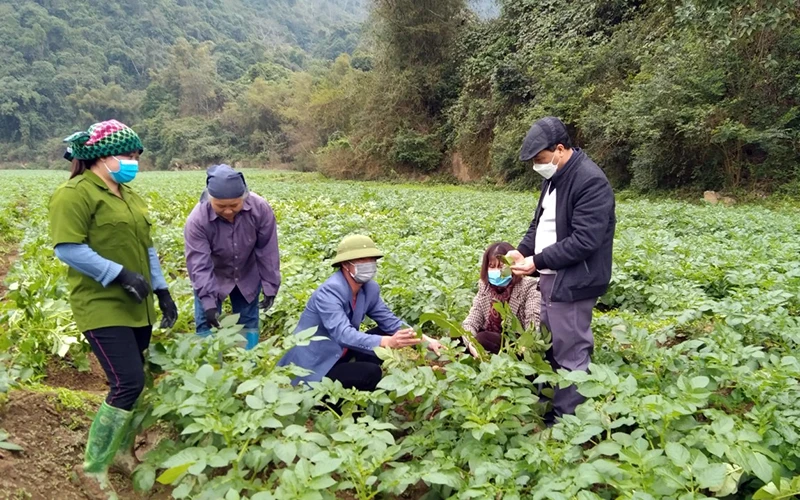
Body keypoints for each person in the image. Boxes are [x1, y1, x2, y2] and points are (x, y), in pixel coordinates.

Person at [49, 119, 178, 499]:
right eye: (126, 155)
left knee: (137, 381)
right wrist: (118, 273)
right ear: (100, 157)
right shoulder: (74, 194)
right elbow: (67, 248)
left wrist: (162, 289)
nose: (132, 161)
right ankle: (91, 469)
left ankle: (122, 451)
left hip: (137, 305)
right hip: (101, 304)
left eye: (136, 155)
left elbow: (148, 246)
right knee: (127, 382)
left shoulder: (127, 194)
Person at [506, 116, 615, 423]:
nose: (537, 166)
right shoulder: (553, 179)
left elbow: (585, 241)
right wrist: (523, 250)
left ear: (560, 149)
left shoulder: (590, 181)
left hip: (575, 280)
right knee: (550, 347)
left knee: (571, 353)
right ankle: (548, 407)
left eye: (540, 160)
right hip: (552, 278)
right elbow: (539, 224)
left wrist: (537, 262)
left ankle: (569, 422)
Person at [279, 234, 442, 391]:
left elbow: (390, 322)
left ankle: (355, 378)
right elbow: (343, 334)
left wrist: (426, 341)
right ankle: (337, 405)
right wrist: (388, 342)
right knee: (370, 372)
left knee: (385, 332)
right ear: (345, 264)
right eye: (362, 259)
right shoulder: (329, 292)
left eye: (372, 259)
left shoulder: (369, 289)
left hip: (341, 352)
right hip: (316, 364)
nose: (369, 264)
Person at [184, 165, 281, 350]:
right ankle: (211, 369)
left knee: (248, 322)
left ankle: (248, 367)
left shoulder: (260, 209)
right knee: (206, 323)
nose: (228, 211)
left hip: (246, 273)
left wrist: (270, 285)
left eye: (234, 205)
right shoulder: (197, 220)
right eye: (221, 206)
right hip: (213, 274)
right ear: (209, 199)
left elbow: (267, 250)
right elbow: (199, 264)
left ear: (244, 197)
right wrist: (208, 301)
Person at [462, 242, 540, 355]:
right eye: (491, 266)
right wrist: (472, 345)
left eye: (501, 266)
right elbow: (471, 320)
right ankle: (479, 355)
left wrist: (522, 347)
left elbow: (533, 324)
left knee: (483, 338)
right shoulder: (485, 287)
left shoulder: (528, 286)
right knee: (460, 336)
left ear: (512, 266)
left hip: (516, 344)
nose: (496, 271)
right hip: (490, 336)